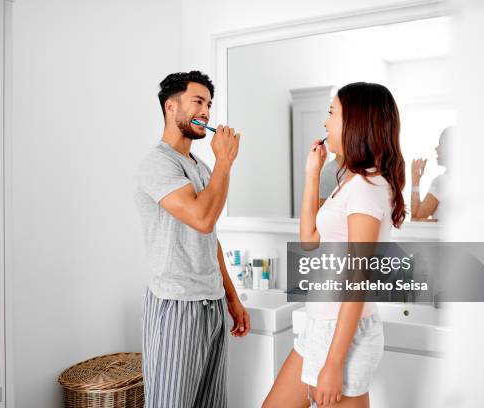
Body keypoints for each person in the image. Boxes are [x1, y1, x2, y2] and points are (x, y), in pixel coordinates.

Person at [263, 82, 406, 408]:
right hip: (319, 327)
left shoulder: (367, 188)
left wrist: (333, 364)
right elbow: (310, 242)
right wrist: (312, 174)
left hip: (344, 338)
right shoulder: (351, 182)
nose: (325, 123)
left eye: (331, 113)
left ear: (355, 123)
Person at [134, 71, 250, 408]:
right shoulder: (157, 164)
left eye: (209, 105)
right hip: (177, 304)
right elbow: (202, 218)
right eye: (198, 101)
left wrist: (231, 297)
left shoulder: (198, 165)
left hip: (209, 302)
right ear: (171, 106)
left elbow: (209, 237)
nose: (207, 112)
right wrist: (225, 162)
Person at [410, 126, 453, 221]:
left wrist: (415, 180)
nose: (436, 148)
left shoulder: (442, 181)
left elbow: (415, 219)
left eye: (441, 144)